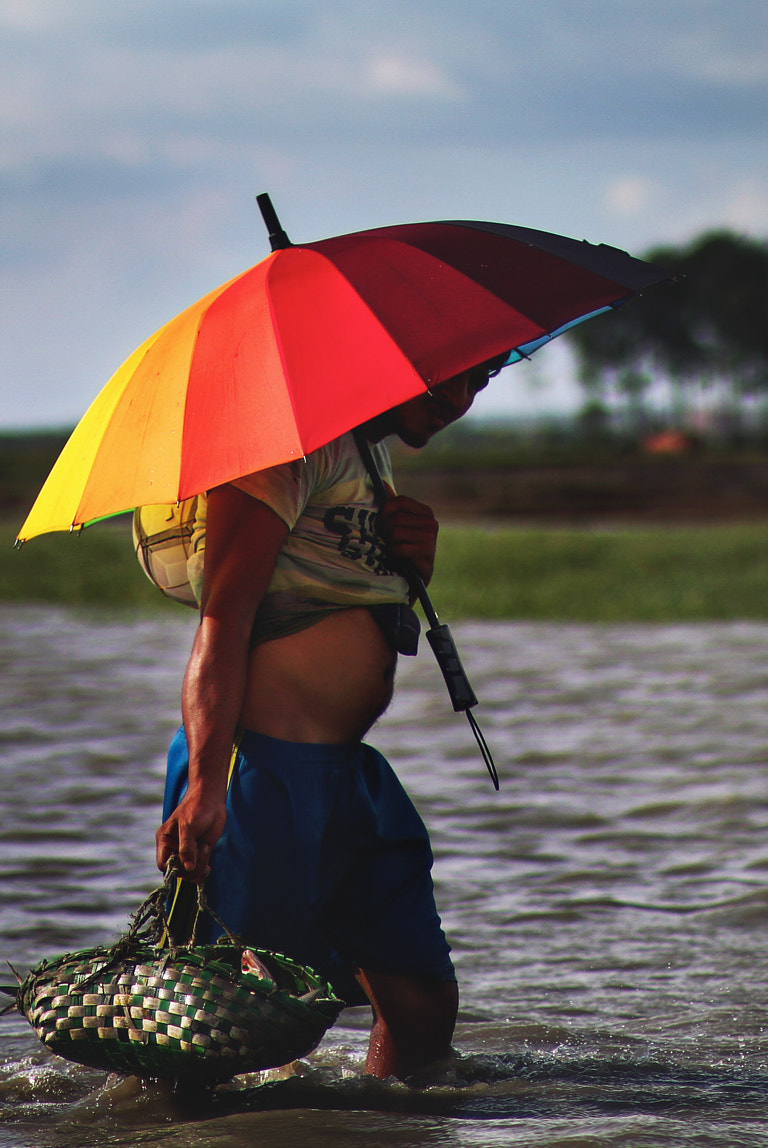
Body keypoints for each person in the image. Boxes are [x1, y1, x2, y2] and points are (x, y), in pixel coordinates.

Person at [138, 360, 499, 1082]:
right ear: (388, 365)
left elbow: (339, 589)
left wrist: (413, 561)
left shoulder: (369, 458)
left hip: (347, 777)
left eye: (478, 383)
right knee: (219, 1017)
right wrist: (206, 785)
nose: (458, 400)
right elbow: (225, 615)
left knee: (421, 1004)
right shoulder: (280, 452)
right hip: (259, 773)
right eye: (442, 381)